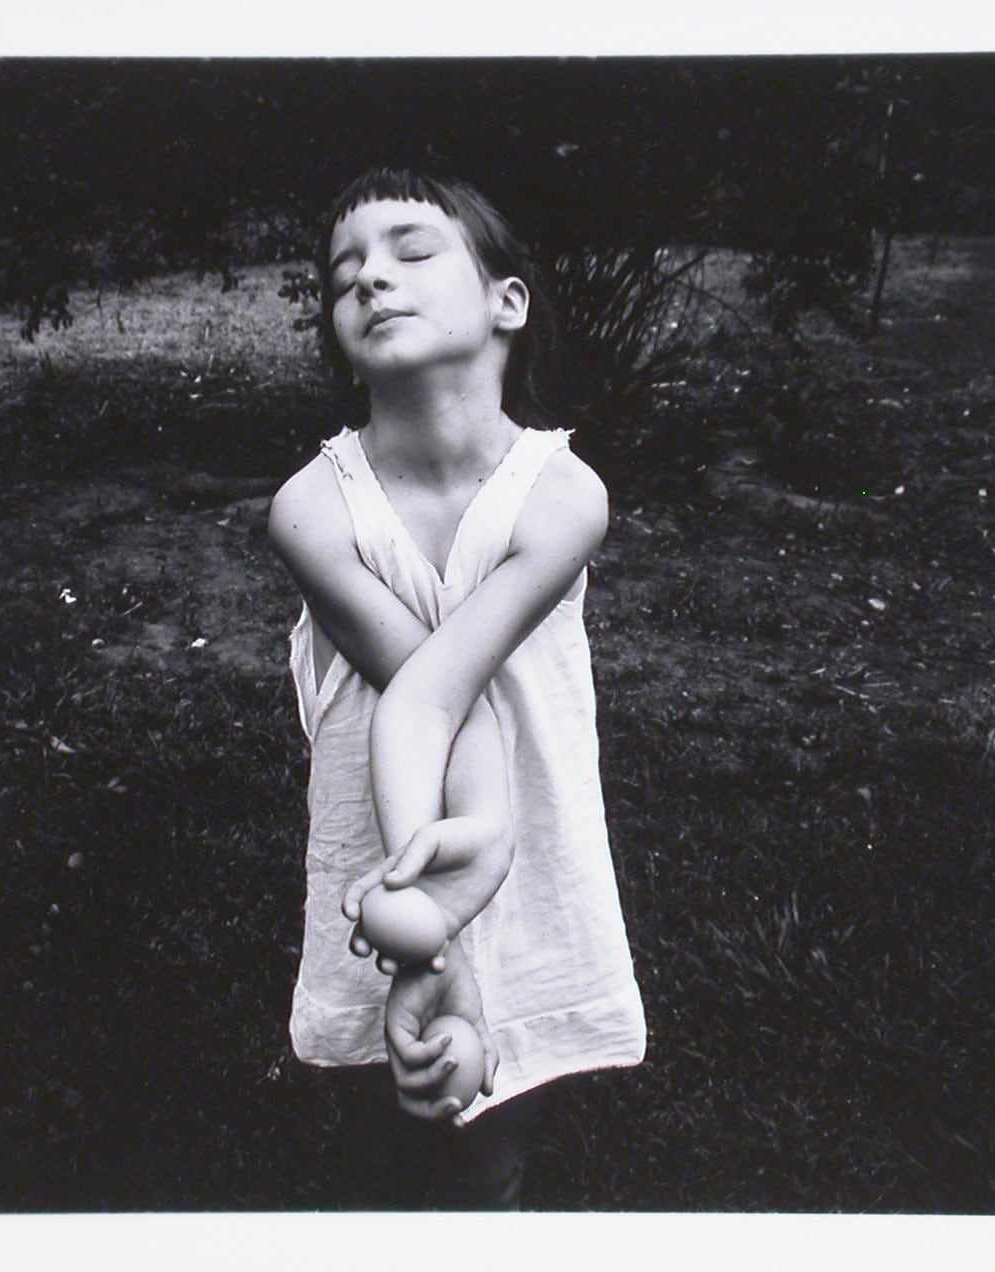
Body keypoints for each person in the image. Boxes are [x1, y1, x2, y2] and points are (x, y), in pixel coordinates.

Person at [268, 167, 646, 1209]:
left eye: (410, 251)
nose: (371, 281)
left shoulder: (562, 496)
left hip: (509, 844)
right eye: (345, 274)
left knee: (489, 1143)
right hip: (395, 851)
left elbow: (447, 695)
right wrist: (428, 922)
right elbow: (425, 697)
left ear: (506, 303)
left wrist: (454, 899)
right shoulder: (314, 509)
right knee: (388, 1123)